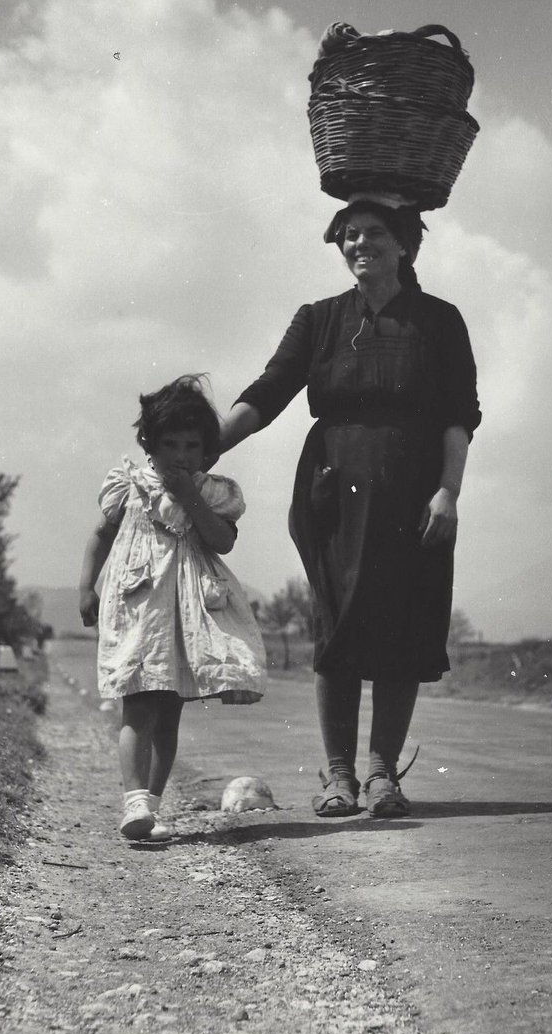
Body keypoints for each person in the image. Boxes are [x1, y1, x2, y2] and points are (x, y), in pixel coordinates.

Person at [218, 197, 481, 818]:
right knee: (337, 625)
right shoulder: (320, 319)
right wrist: (204, 450)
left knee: (405, 622)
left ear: (405, 243)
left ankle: (383, 775)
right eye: (350, 235)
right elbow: (267, 393)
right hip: (334, 491)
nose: (360, 244)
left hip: (416, 490)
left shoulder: (440, 321)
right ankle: (339, 777)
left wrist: (449, 491)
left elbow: (459, 417)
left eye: (374, 233)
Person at [79, 375, 267, 840]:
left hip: (186, 614)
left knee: (169, 712)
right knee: (138, 705)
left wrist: (192, 500)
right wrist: (88, 586)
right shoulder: (129, 486)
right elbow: (101, 536)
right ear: (149, 443)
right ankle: (133, 801)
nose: (181, 455)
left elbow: (223, 540)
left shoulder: (211, 491)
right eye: (170, 444)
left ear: (205, 449)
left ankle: (152, 808)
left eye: (191, 445)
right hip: (141, 605)